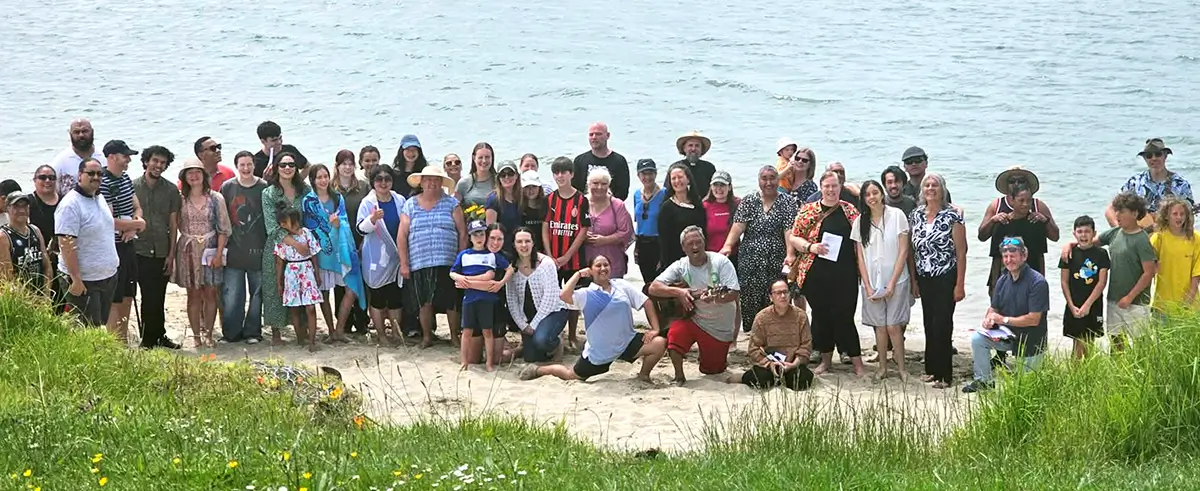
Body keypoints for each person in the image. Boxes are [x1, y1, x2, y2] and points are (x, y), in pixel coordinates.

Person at [519, 255, 666, 382]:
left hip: (626, 342)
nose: (603, 268)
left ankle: (643, 376)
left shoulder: (621, 285)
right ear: (591, 270)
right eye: (598, 265)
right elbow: (564, 296)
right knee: (571, 375)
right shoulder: (586, 294)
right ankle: (538, 370)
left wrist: (655, 328)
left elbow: (646, 302)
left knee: (659, 343)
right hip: (600, 352)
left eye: (606, 265)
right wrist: (578, 275)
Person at [789, 170, 865, 376]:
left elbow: (862, 241)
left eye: (835, 186)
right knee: (822, 317)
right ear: (821, 188)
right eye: (827, 186)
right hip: (816, 273)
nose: (831, 190)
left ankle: (858, 364)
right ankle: (825, 361)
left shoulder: (850, 211)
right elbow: (794, 237)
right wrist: (810, 247)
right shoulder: (809, 210)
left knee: (845, 317)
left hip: (845, 273)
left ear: (841, 187)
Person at [649, 226, 740, 385]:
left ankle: (709, 355)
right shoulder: (681, 265)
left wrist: (715, 298)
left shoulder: (721, 262)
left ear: (705, 242)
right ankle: (679, 376)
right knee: (674, 337)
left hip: (718, 326)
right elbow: (652, 288)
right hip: (693, 318)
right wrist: (679, 293)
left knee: (711, 370)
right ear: (683, 248)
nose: (695, 247)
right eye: (690, 244)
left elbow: (733, 293)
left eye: (698, 242)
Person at [963, 236, 1050, 393]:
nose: (1009, 260)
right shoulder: (1003, 280)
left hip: (1031, 340)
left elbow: (1034, 319)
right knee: (977, 339)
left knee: (1026, 388)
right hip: (1008, 335)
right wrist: (988, 319)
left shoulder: (1038, 282)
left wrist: (1003, 319)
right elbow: (993, 308)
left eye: (1013, 255)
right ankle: (984, 381)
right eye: (1005, 256)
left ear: (1024, 256)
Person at [722, 165, 798, 333]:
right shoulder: (749, 201)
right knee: (750, 300)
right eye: (764, 178)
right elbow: (738, 226)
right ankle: (757, 339)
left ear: (778, 180)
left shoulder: (788, 202)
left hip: (777, 260)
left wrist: (790, 254)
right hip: (750, 261)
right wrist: (728, 245)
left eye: (772, 178)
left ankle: (778, 338)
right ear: (759, 181)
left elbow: (789, 230)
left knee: (778, 298)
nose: (768, 182)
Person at [909, 173, 967, 388]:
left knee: (942, 325)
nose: (931, 188)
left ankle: (945, 375)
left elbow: (961, 253)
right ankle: (932, 369)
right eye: (927, 185)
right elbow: (912, 252)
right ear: (922, 190)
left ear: (942, 190)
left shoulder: (953, 216)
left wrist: (960, 284)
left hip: (945, 276)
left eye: (935, 185)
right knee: (928, 324)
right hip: (924, 278)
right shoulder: (916, 215)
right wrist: (914, 280)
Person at [399, 166, 467, 347]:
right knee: (424, 301)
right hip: (420, 261)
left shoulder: (452, 204)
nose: (432, 183)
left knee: (451, 302)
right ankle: (427, 337)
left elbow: (462, 233)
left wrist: (461, 259)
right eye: (428, 179)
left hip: (448, 260)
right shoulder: (410, 204)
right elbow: (402, 235)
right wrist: (404, 263)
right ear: (421, 182)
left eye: (436, 179)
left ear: (441, 183)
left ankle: (454, 337)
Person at [851, 180, 912, 380]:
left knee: (894, 326)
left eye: (875, 192)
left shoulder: (897, 216)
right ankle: (882, 368)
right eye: (867, 195)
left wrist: (892, 283)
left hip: (898, 280)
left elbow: (904, 251)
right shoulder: (860, 221)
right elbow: (859, 256)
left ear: (882, 194)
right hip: (872, 283)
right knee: (880, 327)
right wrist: (867, 286)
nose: (872, 197)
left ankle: (902, 368)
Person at [303, 164, 364, 343]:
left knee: (351, 290)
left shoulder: (337, 198)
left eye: (325, 176)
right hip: (321, 251)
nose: (323, 180)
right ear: (312, 180)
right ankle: (330, 330)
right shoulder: (308, 201)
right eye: (318, 177)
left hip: (340, 249)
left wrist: (337, 224)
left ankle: (339, 330)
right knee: (323, 293)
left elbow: (343, 220)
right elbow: (309, 226)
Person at [55, 158, 119, 327]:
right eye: (91, 173)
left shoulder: (99, 197)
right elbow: (66, 244)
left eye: (100, 173)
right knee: (88, 330)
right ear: (79, 176)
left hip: (107, 277)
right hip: (84, 280)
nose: (96, 177)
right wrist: (76, 279)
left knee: (100, 326)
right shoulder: (70, 205)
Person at [175, 160, 232, 348]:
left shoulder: (216, 198)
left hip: (210, 247)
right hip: (187, 249)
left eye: (197, 172)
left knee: (210, 292)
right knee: (193, 294)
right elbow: (173, 224)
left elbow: (224, 229)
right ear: (184, 177)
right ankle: (196, 335)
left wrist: (218, 254)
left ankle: (208, 333)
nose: (193, 176)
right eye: (189, 173)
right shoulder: (179, 199)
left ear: (203, 175)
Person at [980, 167, 1058, 294]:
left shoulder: (1038, 207)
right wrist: (993, 221)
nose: (1016, 184)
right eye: (1012, 181)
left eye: (1021, 181)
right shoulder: (997, 206)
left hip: (1032, 273)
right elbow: (983, 237)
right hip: (1004, 273)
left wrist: (1045, 220)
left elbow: (1053, 239)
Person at [132, 146, 181, 349]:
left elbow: (173, 224)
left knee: (158, 295)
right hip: (138, 249)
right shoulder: (132, 186)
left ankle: (159, 335)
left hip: (161, 249)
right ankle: (147, 338)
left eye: (162, 162)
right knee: (145, 294)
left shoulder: (170, 190)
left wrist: (172, 254)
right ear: (146, 161)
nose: (158, 165)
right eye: (155, 161)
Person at [726, 278, 815, 391]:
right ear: (771, 297)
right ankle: (744, 376)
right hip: (769, 364)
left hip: (792, 363)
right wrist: (770, 364)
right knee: (762, 380)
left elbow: (806, 345)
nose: (783, 296)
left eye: (785, 292)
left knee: (803, 380)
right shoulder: (762, 317)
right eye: (778, 293)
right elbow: (754, 348)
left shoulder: (801, 316)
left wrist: (794, 364)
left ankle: (783, 378)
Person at [99, 140, 147, 343]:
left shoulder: (125, 178)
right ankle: (113, 345)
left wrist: (137, 222)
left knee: (129, 295)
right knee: (115, 299)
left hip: (128, 243)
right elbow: (108, 221)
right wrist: (135, 226)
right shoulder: (103, 181)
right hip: (112, 247)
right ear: (112, 157)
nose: (128, 160)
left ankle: (123, 340)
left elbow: (137, 206)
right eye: (124, 156)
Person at [261, 152, 311, 345]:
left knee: (303, 285)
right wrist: (296, 243)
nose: (287, 168)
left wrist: (306, 241)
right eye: (283, 165)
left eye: (291, 165)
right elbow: (271, 227)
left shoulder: (304, 190)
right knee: (275, 287)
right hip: (277, 246)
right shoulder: (269, 193)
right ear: (276, 168)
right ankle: (276, 333)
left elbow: (311, 215)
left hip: (302, 244)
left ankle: (303, 330)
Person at [219, 151, 268, 344]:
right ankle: (231, 333)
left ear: (254, 165)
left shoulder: (264, 187)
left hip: (259, 250)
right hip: (233, 251)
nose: (246, 168)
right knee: (232, 295)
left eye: (249, 164)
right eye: (242, 165)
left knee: (257, 295)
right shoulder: (228, 187)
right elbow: (222, 218)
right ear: (236, 166)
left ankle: (253, 332)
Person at [451, 220, 513, 370]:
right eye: (475, 234)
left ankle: (492, 362)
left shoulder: (493, 256)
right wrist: (460, 278)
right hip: (470, 299)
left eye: (482, 234)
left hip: (491, 302)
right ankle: (464, 362)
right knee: (468, 335)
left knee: (488, 332)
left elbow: (490, 277)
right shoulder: (464, 255)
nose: (479, 237)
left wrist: (499, 283)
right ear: (470, 237)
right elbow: (453, 273)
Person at [543, 157, 590, 348]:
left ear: (572, 174)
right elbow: (545, 226)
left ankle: (572, 335)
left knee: (573, 299)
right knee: (552, 297)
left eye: (564, 172)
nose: (560, 176)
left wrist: (568, 256)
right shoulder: (550, 199)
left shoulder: (581, 200)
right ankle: (557, 333)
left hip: (574, 260)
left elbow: (584, 230)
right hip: (552, 259)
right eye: (556, 172)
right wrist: (548, 255)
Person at [358, 165, 406, 346]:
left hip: (397, 257)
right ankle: (381, 336)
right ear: (373, 182)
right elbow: (360, 229)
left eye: (388, 179)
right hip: (376, 258)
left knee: (395, 299)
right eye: (379, 179)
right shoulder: (368, 203)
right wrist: (372, 219)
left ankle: (396, 333)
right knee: (378, 298)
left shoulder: (400, 199)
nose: (384, 183)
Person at [507, 227, 570, 362]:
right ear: (514, 244)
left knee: (541, 341)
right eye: (519, 242)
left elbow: (550, 299)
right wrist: (523, 325)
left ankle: (557, 343)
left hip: (553, 311)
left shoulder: (546, 264)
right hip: (529, 316)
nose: (524, 245)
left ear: (533, 243)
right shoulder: (512, 267)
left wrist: (533, 325)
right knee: (531, 357)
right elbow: (511, 300)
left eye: (527, 241)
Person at [1105, 138, 1194, 229]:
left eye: (1158, 154)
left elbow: (1189, 218)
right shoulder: (1135, 182)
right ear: (1144, 159)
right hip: (1139, 240)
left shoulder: (1180, 184)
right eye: (1149, 155)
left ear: (1165, 156)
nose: (1154, 158)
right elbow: (1110, 209)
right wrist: (1121, 231)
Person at [273, 203, 323, 352]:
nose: (291, 225)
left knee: (311, 307)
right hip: (291, 272)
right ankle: (300, 338)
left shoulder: (306, 233)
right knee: (294, 308)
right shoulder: (283, 239)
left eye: (292, 221)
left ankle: (312, 341)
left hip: (307, 270)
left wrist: (317, 273)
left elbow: (314, 255)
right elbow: (279, 262)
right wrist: (279, 282)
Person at [1058, 216, 1109, 359]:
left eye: (1087, 231)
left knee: (1088, 340)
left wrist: (1087, 305)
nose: (1083, 235)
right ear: (1074, 234)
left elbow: (1102, 282)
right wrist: (1071, 305)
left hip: (1093, 304)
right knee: (1077, 341)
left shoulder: (1101, 254)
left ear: (1094, 233)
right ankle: (1076, 374)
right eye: (1079, 231)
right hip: (1074, 304)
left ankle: (1087, 374)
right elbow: (1064, 282)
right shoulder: (1069, 254)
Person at [334, 149, 370, 335]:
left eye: (350, 164)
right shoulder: (331, 188)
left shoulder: (363, 187)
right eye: (343, 164)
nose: (347, 167)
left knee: (360, 281)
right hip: (339, 242)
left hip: (360, 239)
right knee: (342, 283)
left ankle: (362, 320)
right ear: (337, 166)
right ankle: (344, 323)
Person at [1149, 197, 1200, 309]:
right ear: (1166, 216)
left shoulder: (1195, 238)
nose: (1179, 217)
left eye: (1182, 214)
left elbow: (1197, 274)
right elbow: (1148, 266)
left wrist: (1189, 300)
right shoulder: (1158, 237)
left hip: (1190, 305)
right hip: (1162, 304)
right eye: (1175, 214)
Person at [584, 168, 634, 278]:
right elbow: (571, 227)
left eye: (604, 184)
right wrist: (582, 236)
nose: (599, 187)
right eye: (595, 183)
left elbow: (625, 232)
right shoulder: (580, 202)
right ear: (588, 184)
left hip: (612, 260)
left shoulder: (617, 205)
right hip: (585, 259)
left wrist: (604, 240)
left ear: (609, 185)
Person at [28, 165, 65, 313]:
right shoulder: (28, 202)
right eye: (42, 177)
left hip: (63, 259)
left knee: (61, 304)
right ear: (35, 180)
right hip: (37, 260)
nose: (47, 181)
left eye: (51, 177)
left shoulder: (65, 202)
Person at [0, 194, 52, 295]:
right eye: (16, 206)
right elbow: (7, 277)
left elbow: (46, 265)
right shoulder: (4, 237)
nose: (22, 210)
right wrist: (28, 301)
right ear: (7, 208)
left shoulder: (35, 231)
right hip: (18, 299)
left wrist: (46, 291)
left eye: (25, 206)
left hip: (40, 294)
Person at [657, 163, 706, 268]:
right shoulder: (666, 208)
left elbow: (704, 232)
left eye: (680, 177)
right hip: (675, 261)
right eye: (673, 178)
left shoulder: (697, 203)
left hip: (697, 257)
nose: (677, 181)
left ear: (688, 179)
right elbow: (664, 241)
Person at [572, 122, 631, 201]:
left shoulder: (619, 161)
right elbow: (574, 189)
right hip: (586, 206)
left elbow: (623, 192)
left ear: (608, 136)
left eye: (598, 134)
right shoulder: (579, 161)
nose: (594, 137)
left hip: (610, 207)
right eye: (591, 134)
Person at [51, 119, 105, 196]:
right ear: (70, 134)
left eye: (85, 131)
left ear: (92, 132)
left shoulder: (103, 157)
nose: (81, 135)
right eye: (76, 132)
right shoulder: (59, 162)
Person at [633, 158, 664, 282]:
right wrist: (636, 247)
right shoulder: (636, 194)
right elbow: (639, 223)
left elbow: (667, 225)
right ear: (638, 175)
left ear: (655, 174)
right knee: (647, 282)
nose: (647, 177)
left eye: (650, 173)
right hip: (642, 243)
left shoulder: (664, 194)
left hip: (658, 243)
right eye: (643, 173)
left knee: (660, 282)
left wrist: (663, 254)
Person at [485, 161, 524, 256]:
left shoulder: (521, 198)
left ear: (517, 176)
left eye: (510, 174)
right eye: (503, 175)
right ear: (498, 178)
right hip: (502, 252)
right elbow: (490, 232)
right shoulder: (493, 200)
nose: (507, 177)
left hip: (520, 249)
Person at [670, 131, 716, 197]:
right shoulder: (675, 168)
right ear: (684, 148)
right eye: (690, 145)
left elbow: (714, 189)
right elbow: (668, 191)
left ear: (701, 149)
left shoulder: (709, 167)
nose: (693, 149)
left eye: (697, 146)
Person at [703, 171, 739, 256]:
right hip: (711, 255)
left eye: (722, 185)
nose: (719, 188)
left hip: (733, 254)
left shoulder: (738, 204)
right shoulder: (704, 206)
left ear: (729, 187)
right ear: (711, 187)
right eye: (715, 185)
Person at [456, 142, 498, 211]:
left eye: (487, 157)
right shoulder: (463, 183)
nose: (484, 161)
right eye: (480, 157)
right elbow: (455, 209)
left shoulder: (499, 181)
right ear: (474, 158)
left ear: (492, 158)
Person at [519, 171, 548, 254]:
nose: (530, 190)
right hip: (524, 250)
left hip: (543, 251)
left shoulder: (546, 205)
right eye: (527, 187)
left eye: (534, 186)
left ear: (539, 188)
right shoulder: (519, 207)